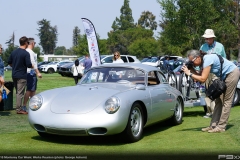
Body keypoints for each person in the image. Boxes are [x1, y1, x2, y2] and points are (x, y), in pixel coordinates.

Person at [181, 49, 238, 133]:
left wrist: (189, 73)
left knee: (227, 101)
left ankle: (221, 127)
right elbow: (199, 77)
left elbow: (203, 79)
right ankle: (213, 126)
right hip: (224, 76)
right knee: (218, 101)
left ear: (197, 58)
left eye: (192, 62)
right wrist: (191, 69)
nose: (191, 63)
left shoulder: (207, 59)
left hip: (232, 73)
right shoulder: (202, 62)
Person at [200, 29, 227, 118]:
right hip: (206, 72)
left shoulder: (220, 46)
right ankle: (209, 111)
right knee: (208, 92)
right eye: (206, 38)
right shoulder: (203, 47)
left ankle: (216, 111)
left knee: (217, 91)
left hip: (217, 72)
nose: (207, 40)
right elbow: (200, 60)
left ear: (212, 38)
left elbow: (224, 59)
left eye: (208, 38)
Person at [8, 36, 33, 114]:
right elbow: (29, 64)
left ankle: (18, 107)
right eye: (28, 43)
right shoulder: (26, 53)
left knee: (17, 92)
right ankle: (19, 109)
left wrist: (15, 66)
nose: (28, 44)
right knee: (20, 93)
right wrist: (32, 65)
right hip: (22, 75)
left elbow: (9, 62)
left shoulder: (14, 52)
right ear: (25, 43)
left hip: (14, 74)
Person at [22, 38, 42, 112]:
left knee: (32, 90)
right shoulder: (30, 52)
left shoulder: (25, 51)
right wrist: (38, 72)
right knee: (30, 89)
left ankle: (33, 105)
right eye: (35, 43)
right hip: (31, 72)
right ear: (32, 43)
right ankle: (24, 105)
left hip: (26, 72)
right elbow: (33, 64)